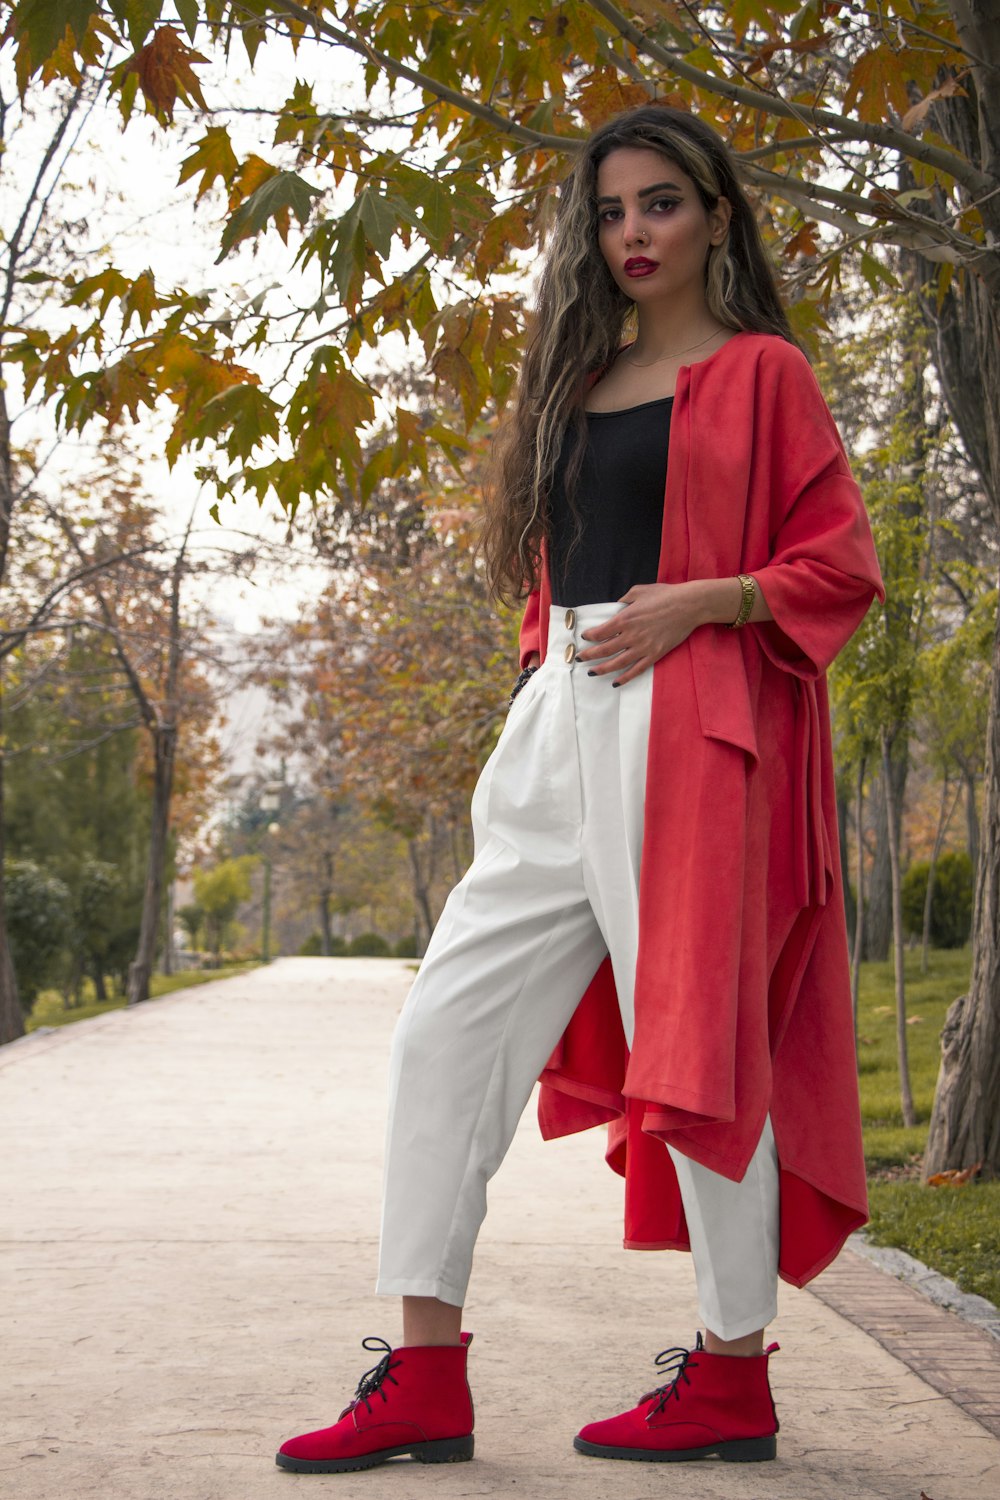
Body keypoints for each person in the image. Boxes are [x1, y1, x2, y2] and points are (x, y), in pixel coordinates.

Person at [276, 102, 885, 1475]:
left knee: (702, 1061)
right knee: (444, 1029)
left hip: (694, 728)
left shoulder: (764, 374)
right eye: (612, 212)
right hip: (560, 723)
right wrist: (544, 682)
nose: (633, 233)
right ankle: (426, 1374)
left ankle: (734, 1378)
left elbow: (840, 565)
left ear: (716, 214)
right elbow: (565, 567)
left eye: (661, 204)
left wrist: (701, 606)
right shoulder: (576, 380)